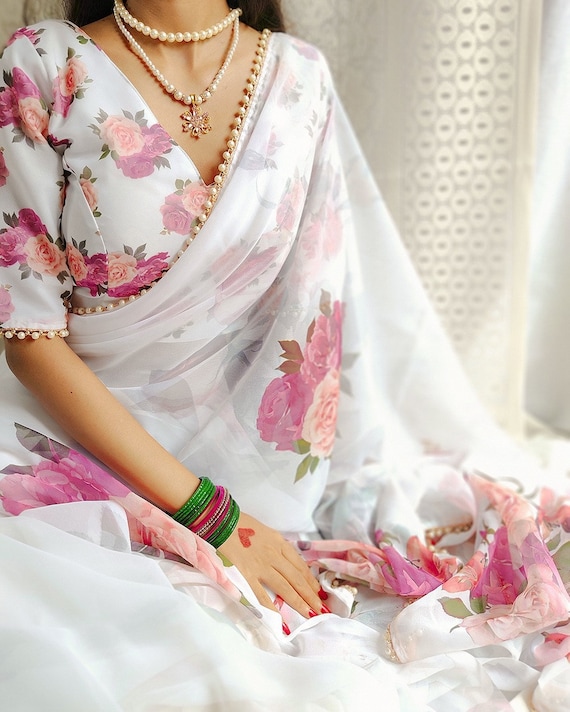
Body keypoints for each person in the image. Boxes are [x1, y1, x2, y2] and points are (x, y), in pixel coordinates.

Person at [0, 2, 568, 710]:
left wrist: (254, 506)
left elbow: (316, 306)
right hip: (70, 449)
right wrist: (213, 516)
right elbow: (30, 340)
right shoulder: (44, 65)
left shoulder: (298, 78)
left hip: (251, 469)